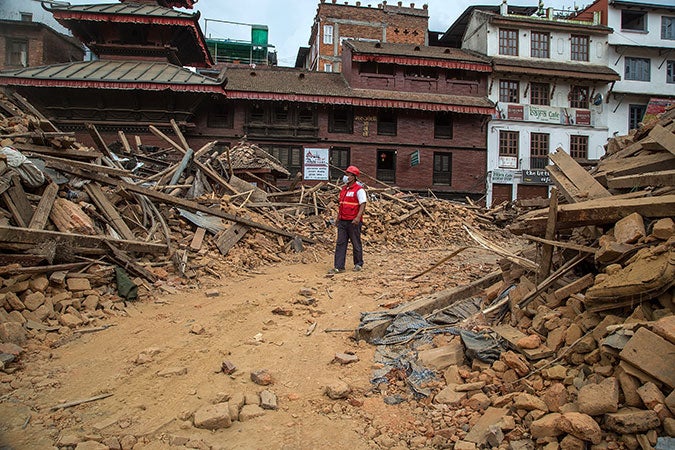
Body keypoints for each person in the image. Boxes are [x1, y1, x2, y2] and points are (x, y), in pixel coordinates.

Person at [329, 165, 367, 274]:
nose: (346, 177)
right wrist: (338, 218)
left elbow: (363, 204)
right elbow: (341, 205)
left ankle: (358, 264)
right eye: (346, 174)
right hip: (342, 220)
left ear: (353, 177)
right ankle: (339, 266)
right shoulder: (344, 189)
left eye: (348, 175)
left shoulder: (359, 190)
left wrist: (358, 217)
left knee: (356, 243)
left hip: (353, 221)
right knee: (340, 243)